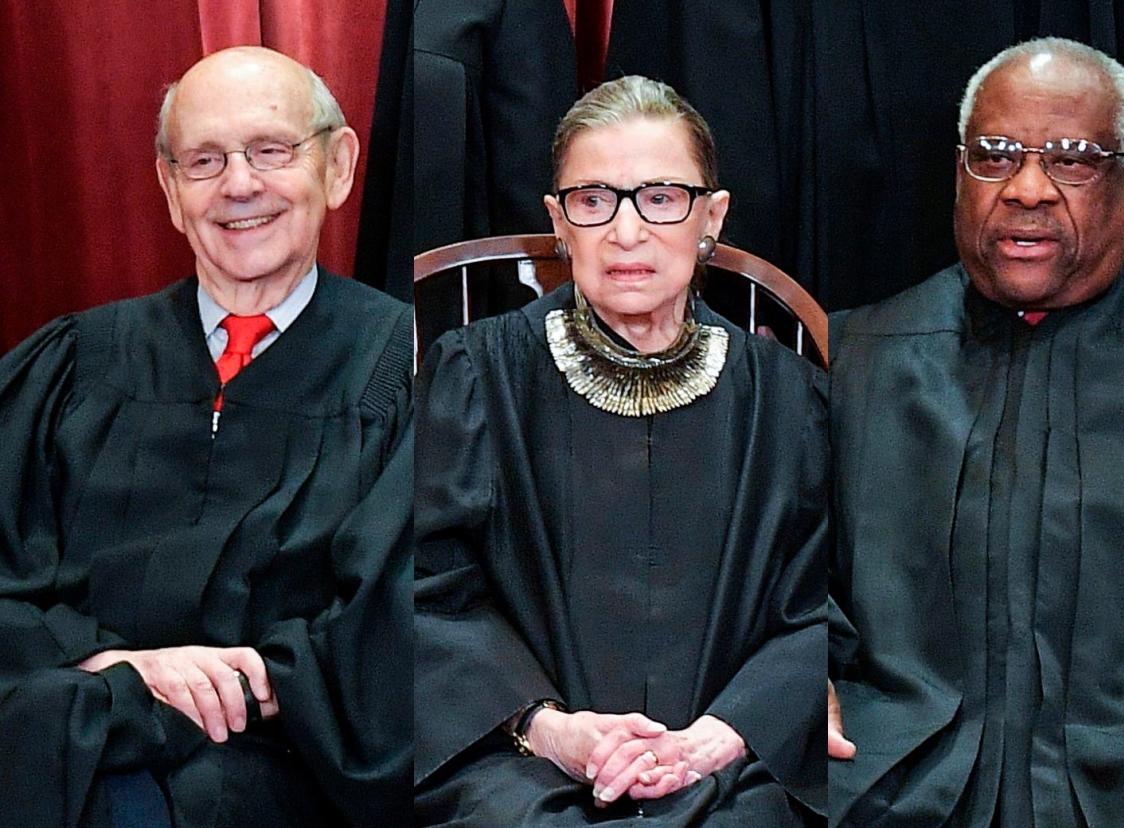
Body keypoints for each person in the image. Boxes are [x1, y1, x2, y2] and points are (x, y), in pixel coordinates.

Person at [352, 75, 828, 825]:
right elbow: (420, 586)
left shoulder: (789, 398)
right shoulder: (475, 374)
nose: (627, 232)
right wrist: (546, 727)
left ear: (713, 216)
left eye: (662, 197)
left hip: (729, 765)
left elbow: (823, 605)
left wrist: (725, 734)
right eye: (593, 200)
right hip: (511, 759)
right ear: (558, 221)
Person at [827, 37, 1124, 826]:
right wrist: (796, 669)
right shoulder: (858, 359)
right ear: (960, 176)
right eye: (994, 155)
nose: (1026, 189)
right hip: (897, 766)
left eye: (1073, 159)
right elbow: (769, 569)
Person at [0, 47, 414, 827]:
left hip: (274, 765)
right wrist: (111, 667)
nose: (239, 184)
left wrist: (241, 682)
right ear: (169, 189)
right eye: (204, 160)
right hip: (65, 719)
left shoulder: (405, 372)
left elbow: (392, 633)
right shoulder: (78, 362)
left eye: (270, 150)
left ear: (339, 165)